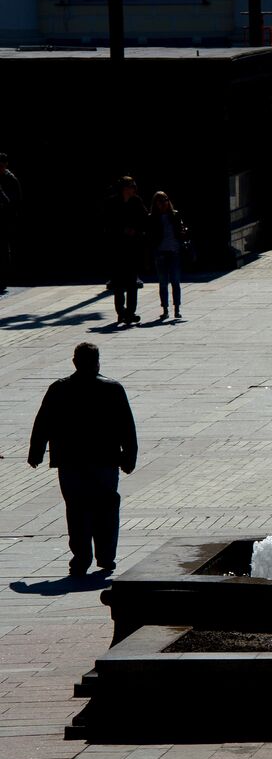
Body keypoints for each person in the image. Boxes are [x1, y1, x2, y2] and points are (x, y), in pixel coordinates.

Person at [28, 343, 137, 576]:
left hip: (71, 461)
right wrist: (129, 456)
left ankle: (81, 558)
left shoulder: (59, 388)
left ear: (74, 362)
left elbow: (43, 422)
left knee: (77, 510)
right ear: (98, 362)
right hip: (104, 461)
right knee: (106, 509)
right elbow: (126, 427)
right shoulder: (112, 388)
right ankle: (106, 557)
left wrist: (36, 451)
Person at [110, 177, 147, 325]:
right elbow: (107, 222)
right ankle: (121, 312)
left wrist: (136, 230)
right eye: (131, 186)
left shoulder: (136, 202)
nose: (133, 189)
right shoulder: (112, 203)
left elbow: (144, 219)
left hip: (133, 248)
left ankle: (130, 312)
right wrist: (122, 229)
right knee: (118, 284)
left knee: (132, 283)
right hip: (118, 248)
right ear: (124, 188)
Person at [147, 191, 187, 321]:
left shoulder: (174, 215)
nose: (163, 203)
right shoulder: (153, 217)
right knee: (163, 282)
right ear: (155, 203)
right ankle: (165, 309)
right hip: (160, 252)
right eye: (160, 201)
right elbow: (150, 236)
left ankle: (177, 308)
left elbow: (181, 231)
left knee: (175, 281)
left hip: (174, 251)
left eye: (165, 200)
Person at [0, 153, 22, 294]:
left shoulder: (10, 179)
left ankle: (3, 278)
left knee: (3, 249)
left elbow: (14, 202)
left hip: (5, 219)